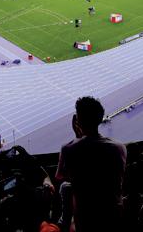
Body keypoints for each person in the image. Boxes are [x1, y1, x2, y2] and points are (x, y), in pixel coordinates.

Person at [56, 96, 127, 231]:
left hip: (86, 216)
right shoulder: (119, 147)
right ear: (100, 119)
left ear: (77, 120)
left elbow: (60, 176)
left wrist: (78, 138)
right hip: (114, 214)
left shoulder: (68, 149)